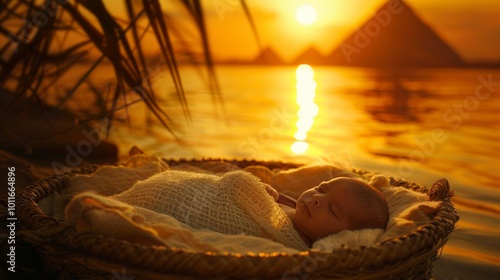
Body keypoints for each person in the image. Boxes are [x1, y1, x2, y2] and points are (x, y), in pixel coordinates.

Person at [265, 177, 389, 246]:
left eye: (332, 210)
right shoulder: (292, 204)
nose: (317, 198)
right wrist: (267, 192)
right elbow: (259, 195)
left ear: (341, 235)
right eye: (321, 189)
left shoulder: (299, 249)